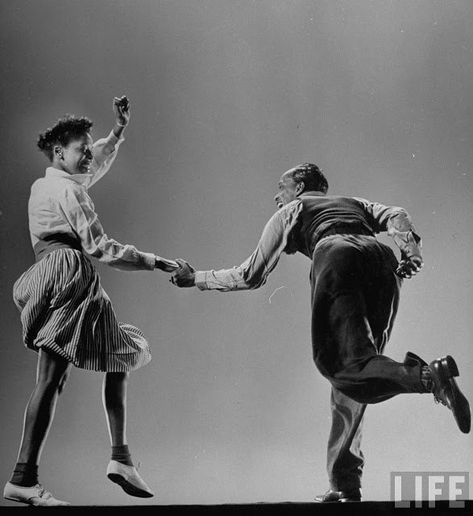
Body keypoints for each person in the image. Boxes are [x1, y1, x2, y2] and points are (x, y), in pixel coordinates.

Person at [170, 162, 471, 503]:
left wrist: (196, 278)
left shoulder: (292, 210)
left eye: (280, 187)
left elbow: (251, 275)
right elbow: (396, 213)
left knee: (344, 367)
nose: (275, 196)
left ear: (299, 187)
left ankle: (430, 377)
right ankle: (345, 484)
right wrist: (411, 250)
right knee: (358, 374)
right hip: (383, 262)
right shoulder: (354, 203)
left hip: (335, 256)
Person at [3, 96, 178, 506]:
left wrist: (116, 132)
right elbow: (101, 246)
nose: (87, 156)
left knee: (117, 353)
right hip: (69, 273)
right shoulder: (71, 193)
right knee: (56, 377)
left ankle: (120, 457)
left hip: (50, 275)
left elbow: (93, 163)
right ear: (59, 153)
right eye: (80, 149)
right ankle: (24, 478)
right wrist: (155, 261)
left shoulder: (48, 184)